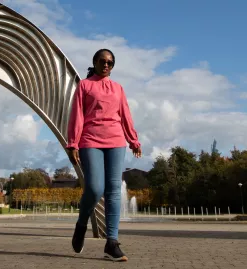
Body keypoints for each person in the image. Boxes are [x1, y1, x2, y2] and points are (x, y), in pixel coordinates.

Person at [66, 48, 142, 262]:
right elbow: (77, 116)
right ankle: (81, 223)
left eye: (110, 62)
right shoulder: (85, 85)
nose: (106, 65)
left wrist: (133, 140)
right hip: (90, 140)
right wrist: (72, 143)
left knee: (114, 190)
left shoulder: (118, 88)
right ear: (95, 62)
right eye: (103, 61)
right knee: (94, 188)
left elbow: (125, 115)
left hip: (116, 141)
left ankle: (112, 242)